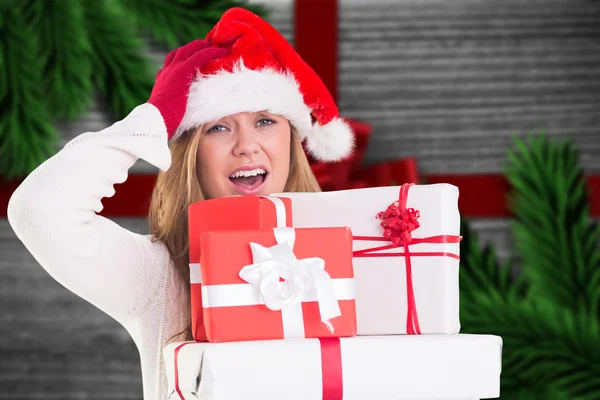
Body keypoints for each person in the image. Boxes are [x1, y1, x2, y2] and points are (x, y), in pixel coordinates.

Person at [7, 7, 354, 400]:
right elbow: (39, 210)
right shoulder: (158, 275)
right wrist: (155, 120)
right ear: (191, 155)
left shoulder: (348, 262)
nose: (246, 146)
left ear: (292, 139)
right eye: (218, 127)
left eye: (265, 121)